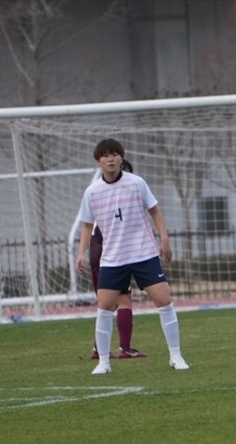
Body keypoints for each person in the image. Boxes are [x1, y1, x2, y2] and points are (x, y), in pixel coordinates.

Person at [74, 138, 188, 375]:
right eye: (105, 156)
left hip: (143, 253)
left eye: (115, 154)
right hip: (113, 259)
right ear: (99, 161)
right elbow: (86, 225)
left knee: (164, 300)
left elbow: (154, 210)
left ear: (121, 158)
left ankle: (176, 356)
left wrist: (164, 238)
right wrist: (81, 253)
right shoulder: (92, 192)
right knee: (104, 307)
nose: (111, 159)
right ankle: (104, 362)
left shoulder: (136, 183)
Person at [78, 158, 146, 361]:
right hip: (110, 250)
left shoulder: (99, 193)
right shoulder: (112, 193)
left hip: (97, 249)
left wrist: (81, 253)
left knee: (105, 303)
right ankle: (124, 348)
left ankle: (98, 348)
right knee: (123, 299)